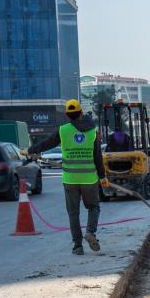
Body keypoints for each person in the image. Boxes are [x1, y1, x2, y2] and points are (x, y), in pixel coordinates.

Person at [29, 99, 109, 255]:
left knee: (73, 213)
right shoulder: (93, 131)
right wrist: (102, 176)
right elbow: (98, 157)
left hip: (70, 179)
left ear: (67, 115)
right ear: (80, 113)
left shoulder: (63, 130)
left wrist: (31, 149)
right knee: (93, 207)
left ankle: (77, 246)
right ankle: (90, 232)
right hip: (89, 179)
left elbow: (46, 144)